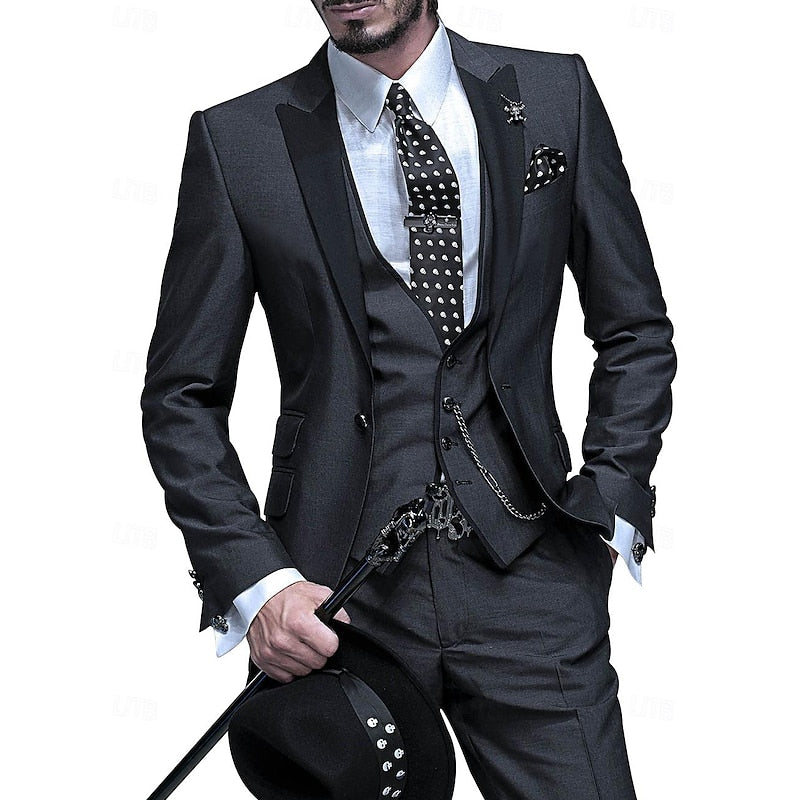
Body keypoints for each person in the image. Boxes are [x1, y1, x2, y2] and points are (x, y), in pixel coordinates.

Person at [140, 1, 677, 797]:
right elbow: (181, 396)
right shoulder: (238, 140)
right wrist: (258, 584)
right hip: (332, 601)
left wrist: (609, 507)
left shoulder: (552, 94)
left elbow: (633, 327)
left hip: (531, 570)